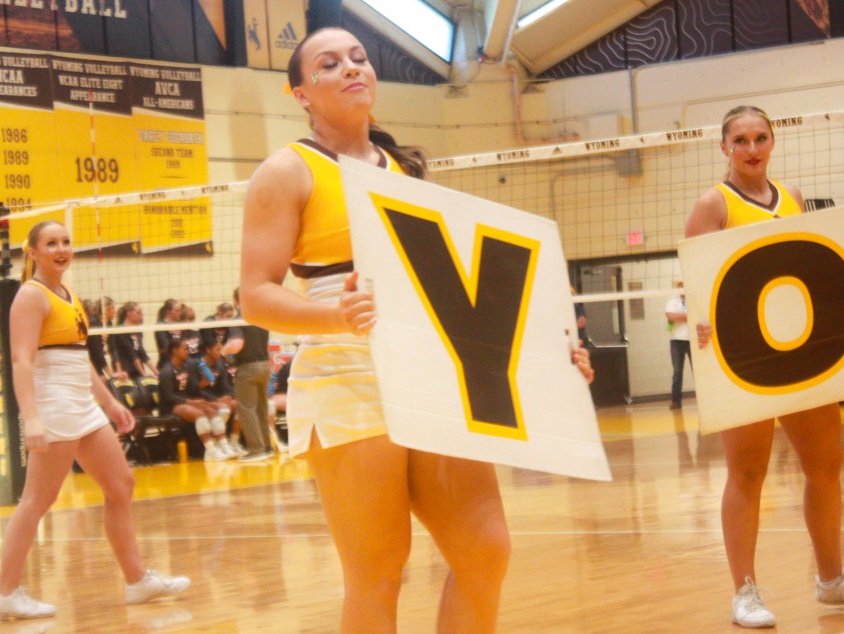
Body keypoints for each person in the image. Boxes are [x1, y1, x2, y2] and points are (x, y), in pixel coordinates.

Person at [238, 28, 595, 633]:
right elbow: (255, 295)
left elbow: (457, 291)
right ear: (301, 93)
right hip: (347, 378)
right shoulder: (286, 170)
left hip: (430, 372)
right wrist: (335, 316)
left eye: (359, 58)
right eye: (331, 64)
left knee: (486, 549)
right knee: (377, 571)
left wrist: (547, 355)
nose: (352, 68)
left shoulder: (405, 169)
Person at [685, 105, 843, 628]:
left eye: (760, 138)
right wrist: (700, 322)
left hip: (801, 353)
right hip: (743, 360)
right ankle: (745, 593)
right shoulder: (713, 204)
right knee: (748, 472)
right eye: (740, 140)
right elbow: (697, 286)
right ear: (724, 148)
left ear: (772, 142)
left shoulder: (793, 196)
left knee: (826, 466)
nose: (751, 149)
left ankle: (831, 579)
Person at [0, 220, 189, 620]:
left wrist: (110, 403)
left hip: (82, 404)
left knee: (121, 485)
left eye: (65, 241)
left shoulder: (69, 295)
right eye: (51, 243)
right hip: (54, 404)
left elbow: (81, 361)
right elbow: (21, 361)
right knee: (36, 500)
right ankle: (5, 593)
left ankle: (137, 581)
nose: (61, 249)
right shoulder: (31, 295)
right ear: (33, 252)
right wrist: (31, 418)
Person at [157, 338, 236, 461]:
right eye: (184, 349)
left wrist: (202, 384)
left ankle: (223, 446)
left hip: (185, 401)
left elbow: (193, 389)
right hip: (170, 406)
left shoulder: (185, 368)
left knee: (211, 411)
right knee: (199, 414)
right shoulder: (166, 371)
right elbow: (168, 396)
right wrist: (190, 402)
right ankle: (210, 451)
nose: (188, 352)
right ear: (175, 351)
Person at [225, 288, 274, 464]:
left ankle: (256, 450)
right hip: (264, 366)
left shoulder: (239, 319)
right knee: (261, 409)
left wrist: (224, 351)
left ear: (235, 300)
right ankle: (266, 447)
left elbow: (236, 344)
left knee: (247, 409)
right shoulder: (260, 317)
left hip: (248, 368)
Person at [111, 302, 157, 380]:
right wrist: (143, 374)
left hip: (137, 371)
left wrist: (156, 372)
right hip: (125, 372)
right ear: (129, 314)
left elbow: (142, 353)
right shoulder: (121, 330)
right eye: (138, 312)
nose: (141, 315)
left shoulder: (137, 331)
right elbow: (132, 354)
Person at [664, 281, 690, 409]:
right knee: (677, 371)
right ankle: (676, 401)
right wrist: (687, 317)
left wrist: (680, 317)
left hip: (692, 340)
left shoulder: (693, 300)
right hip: (676, 341)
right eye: (681, 288)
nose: (682, 290)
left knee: (698, 371)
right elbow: (670, 316)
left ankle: (705, 401)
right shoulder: (672, 301)